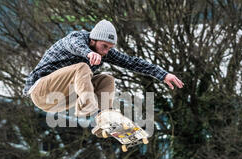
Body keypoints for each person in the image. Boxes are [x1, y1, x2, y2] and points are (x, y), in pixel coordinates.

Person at [23, 20, 184, 121]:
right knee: (82, 67)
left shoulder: (103, 52)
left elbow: (132, 62)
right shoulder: (76, 39)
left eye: (109, 48)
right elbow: (74, 46)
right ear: (93, 40)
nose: (106, 51)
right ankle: (87, 106)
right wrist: (88, 53)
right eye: (104, 46)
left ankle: (105, 118)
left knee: (107, 79)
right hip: (41, 92)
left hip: (62, 98)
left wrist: (163, 74)